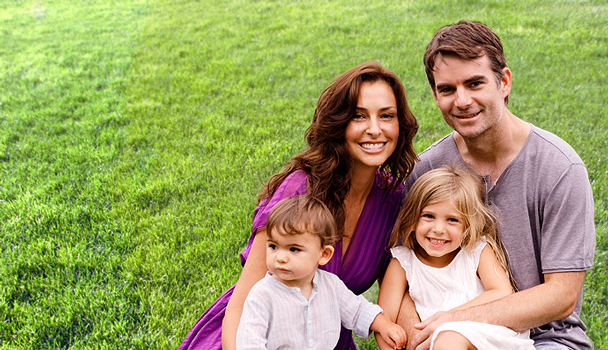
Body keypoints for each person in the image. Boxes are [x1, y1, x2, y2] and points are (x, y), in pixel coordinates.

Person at [178, 60, 419, 350]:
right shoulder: (300, 188)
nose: (374, 129)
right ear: (339, 123)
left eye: (386, 116)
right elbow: (245, 298)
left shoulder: (391, 198)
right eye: (358, 116)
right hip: (252, 335)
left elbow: (391, 292)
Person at [396, 20, 596, 350]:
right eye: (447, 89)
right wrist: (418, 334)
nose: (461, 101)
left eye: (475, 83)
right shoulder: (426, 172)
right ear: (434, 95)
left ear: (503, 82)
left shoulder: (559, 168)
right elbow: (401, 270)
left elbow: (561, 296)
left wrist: (457, 319)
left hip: (546, 338)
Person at [376, 165, 535, 350]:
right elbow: (384, 321)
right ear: (412, 219)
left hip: (485, 333)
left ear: (467, 226)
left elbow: (502, 292)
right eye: (428, 216)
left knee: (448, 338)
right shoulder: (402, 263)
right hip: (437, 340)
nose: (438, 229)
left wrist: (449, 317)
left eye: (452, 220)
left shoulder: (476, 251)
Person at [236, 195, 407, 349]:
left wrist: (385, 326)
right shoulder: (262, 295)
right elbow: (250, 343)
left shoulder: (330, 285)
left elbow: (357, 310)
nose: (280, 257)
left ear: (324, 254)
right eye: (273, 246)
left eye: (293, 249)